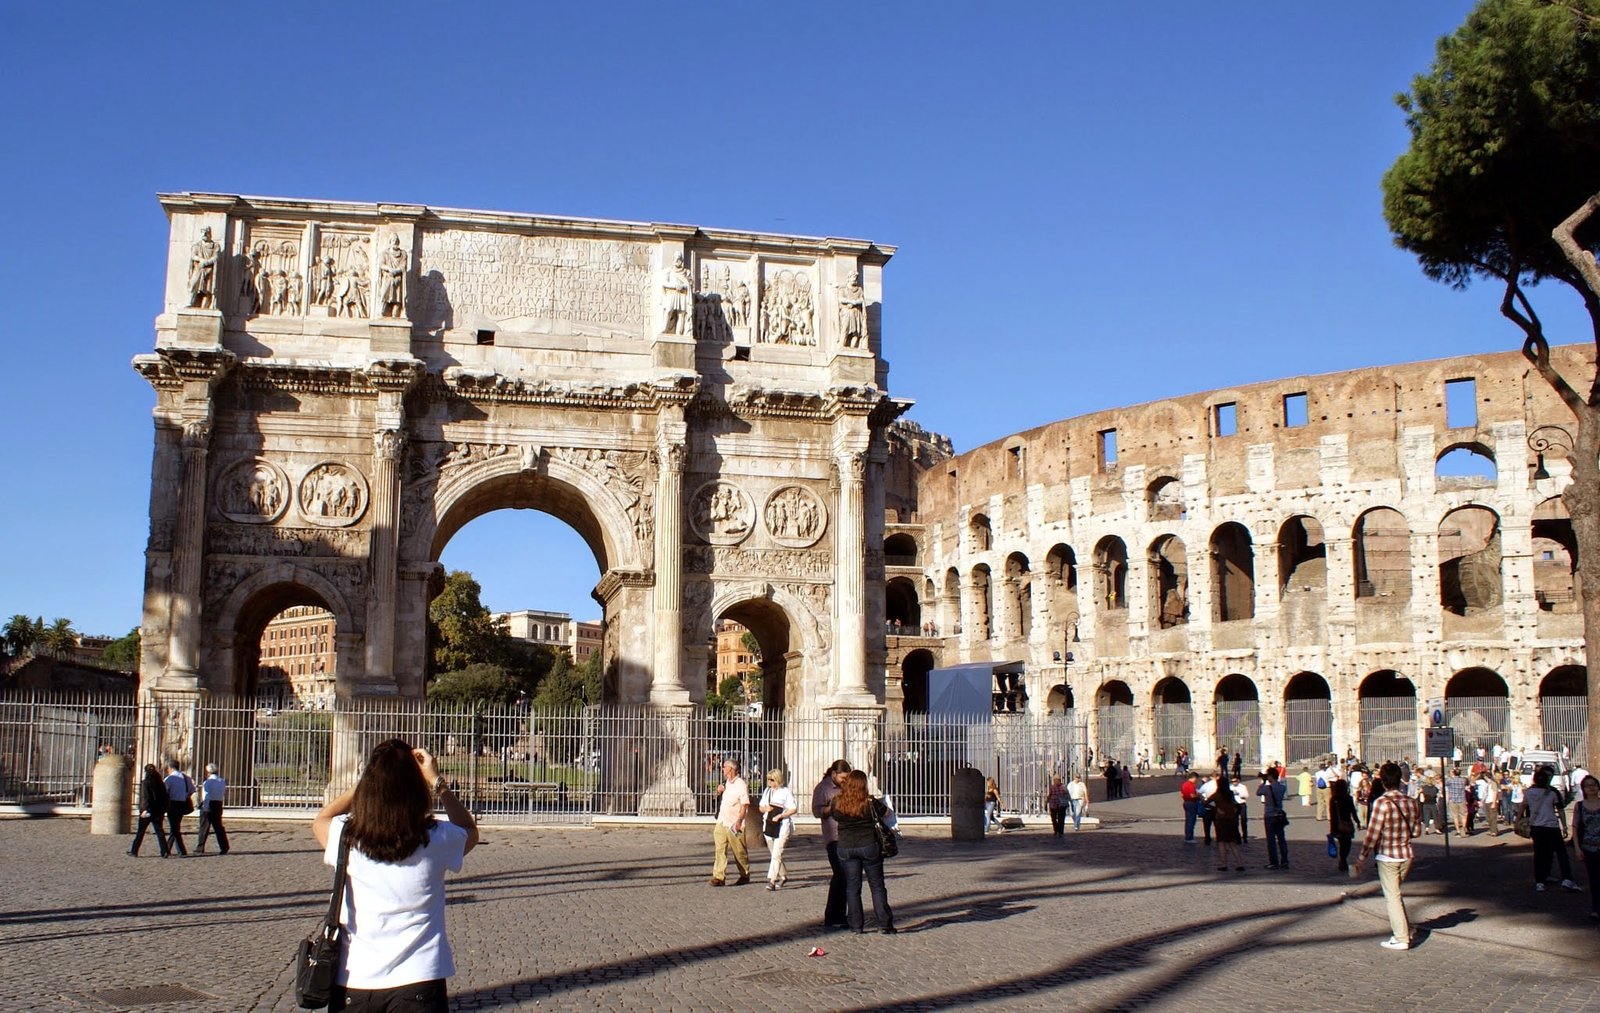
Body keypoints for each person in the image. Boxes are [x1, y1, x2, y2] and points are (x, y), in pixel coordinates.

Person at [312, 738, 478, 1012]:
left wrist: (363, 784)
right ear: (415, 788)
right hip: (420, 978)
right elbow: (469, 830)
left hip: (355, 978)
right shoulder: (436, 837)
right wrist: (438, 782)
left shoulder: (346, 835)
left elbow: (320, 820)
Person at [1352, 762, 1423, 950]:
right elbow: (1416, 832)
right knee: (1396, 895)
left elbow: (1372, 835)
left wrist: (1361, 858)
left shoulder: (1382, 803)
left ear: (1383, 782)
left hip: (1388, 856)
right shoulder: (1411, 802)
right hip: (1407, 855)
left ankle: (1401, 938)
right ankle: (1403, 929)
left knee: (1392, 897)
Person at [824, 770, 896, 934]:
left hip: (846, 847)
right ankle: (885, 923)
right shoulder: (869, 802)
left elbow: (834, 816)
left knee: (852, 888)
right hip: (868, 845)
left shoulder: (837, 802)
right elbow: (887, 813)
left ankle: (856, 925)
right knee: (877, 886)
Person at [1519, 765, 1578, 893]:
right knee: (1560, 853)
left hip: (1536, 826)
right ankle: (1566, 877)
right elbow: (1560, 809)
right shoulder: (1552, 792)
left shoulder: (1529, 792)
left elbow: (1523, 806)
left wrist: (1517, 820)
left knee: (1541, 853)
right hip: (1551, 826)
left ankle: (1541, 879)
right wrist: (1564, 826)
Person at [812, 759, 852, 929]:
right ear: (834, 774)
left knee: (845, 876)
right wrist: (833, 807)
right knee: (840, 874)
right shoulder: (823, 788)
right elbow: (817, 811)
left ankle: (840, 914)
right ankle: (833, 915)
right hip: (833, 837)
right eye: (843, 778)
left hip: (849, 835)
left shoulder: (847, 786)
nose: (845, 781)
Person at [709, 758, 750, 886]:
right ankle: (719, 876)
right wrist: (718, 792)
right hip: (722, 821)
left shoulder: (741, 784)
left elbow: (745, 805)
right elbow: (718, 800)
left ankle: (745, 874)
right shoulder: (725, 782)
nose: (722, 769)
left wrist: (739, 821)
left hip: (735, 823)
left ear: (731, 769)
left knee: (739, 851)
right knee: (720, 849)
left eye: (724, 767)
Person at [1567, 774, 1600, 921]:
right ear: (1583, 789)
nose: (1591, 787)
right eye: (1588, 785)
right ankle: (1596, 909)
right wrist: (1578, 848)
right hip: (1588, 847)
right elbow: (1575, 826)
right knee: (1594, 879)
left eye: (1594, 784)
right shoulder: (1579, 806)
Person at [758, 768, 797, 890]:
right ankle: (783, 876)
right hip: (769, 824)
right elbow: (760, 807)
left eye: (772, 779)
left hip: (782, 825)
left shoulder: (786, 792)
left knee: (777, 853)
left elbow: (793, 809)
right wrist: (766, 809)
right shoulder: (767, 792)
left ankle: (772, 880)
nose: (769, 782)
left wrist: (781, 815)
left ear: (778, 779)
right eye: (768, 779)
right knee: (774, 853)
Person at [129, 763, 170, 858]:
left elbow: (145, 797)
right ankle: (164, 851)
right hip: (158, 810)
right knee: (160, 832)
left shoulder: (146, 782)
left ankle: (134, 850)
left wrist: (144, 809)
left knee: (141, 832)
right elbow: (165, 796)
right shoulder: (160, 783)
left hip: (148, 810)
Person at [194, 762, 229, 855]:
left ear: (208, 772)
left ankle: (200, 847)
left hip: (209, 804)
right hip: (218, 804)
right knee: (218, 826)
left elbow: (206, 795)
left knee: (204, 826)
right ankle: (224, 846)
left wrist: (203, 806)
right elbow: (223, 792)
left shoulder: (207, 782)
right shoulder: (222, 781)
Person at [1258, 767, 1290, 869]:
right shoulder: (1282, 787)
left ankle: (1274, 862)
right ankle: (1284, 861)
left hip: (1269, 816)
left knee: (1271, 840)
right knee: (1281, 839)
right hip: (1279, 815)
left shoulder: (1267, 788)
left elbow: (1258, 792)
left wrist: (1263, 782)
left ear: (1270, 776)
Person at [1211, 775, 1243, 872]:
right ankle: (1239, 863)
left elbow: (1205, 803)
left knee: (1221, 842)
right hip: (1231, 820)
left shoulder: (1216, 795)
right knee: (1232, 843)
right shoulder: (1230, 793)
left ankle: (1223, 863)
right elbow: (1235, 804)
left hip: (1221, 820)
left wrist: (1216, 809)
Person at [163, 759, 195, 857]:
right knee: (175, 827)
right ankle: (169, 849)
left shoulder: (169, 779)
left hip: (172, 804)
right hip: (182, 803)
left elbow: (165, 792)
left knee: (174, 828)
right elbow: (192, 790)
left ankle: (177, 850)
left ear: (170, 768)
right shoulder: (186, 778)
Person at [1328, 778, 1358, 872]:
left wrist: (1332, 828)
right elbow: (1353, 811)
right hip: (1346, 823)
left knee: (1342, 844)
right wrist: (1357, 821)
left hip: (1337, 825)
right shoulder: (1348, 798)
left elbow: (1332, 815)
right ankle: (1343, 859)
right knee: (1347, 844)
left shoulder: (1333, 799)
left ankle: (1342, 859)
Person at [1475, 771, 1501, 837]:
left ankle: (1494, 831)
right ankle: (1492, 829)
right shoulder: (1487, 784)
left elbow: (1495, 793)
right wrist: (1482, 802)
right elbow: (1485, 794)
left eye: (1484, 776)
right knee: (1488, 817)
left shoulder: (1493, 783)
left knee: (1493, 817)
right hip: (1486, 801)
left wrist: (1494, 802)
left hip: (1492, 801)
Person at [1180, 772, 1202, 843]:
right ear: (1194, 778)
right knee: (1191, 821)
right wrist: (1199, 796)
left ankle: (1188, 836)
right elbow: (1192, 795)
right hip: (1191, 803)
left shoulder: (1184, 784)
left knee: (1188, 821)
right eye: (1196, 779)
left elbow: (1182, 794)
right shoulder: (1191, 785)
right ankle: (1189, 837)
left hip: (1186, 802)